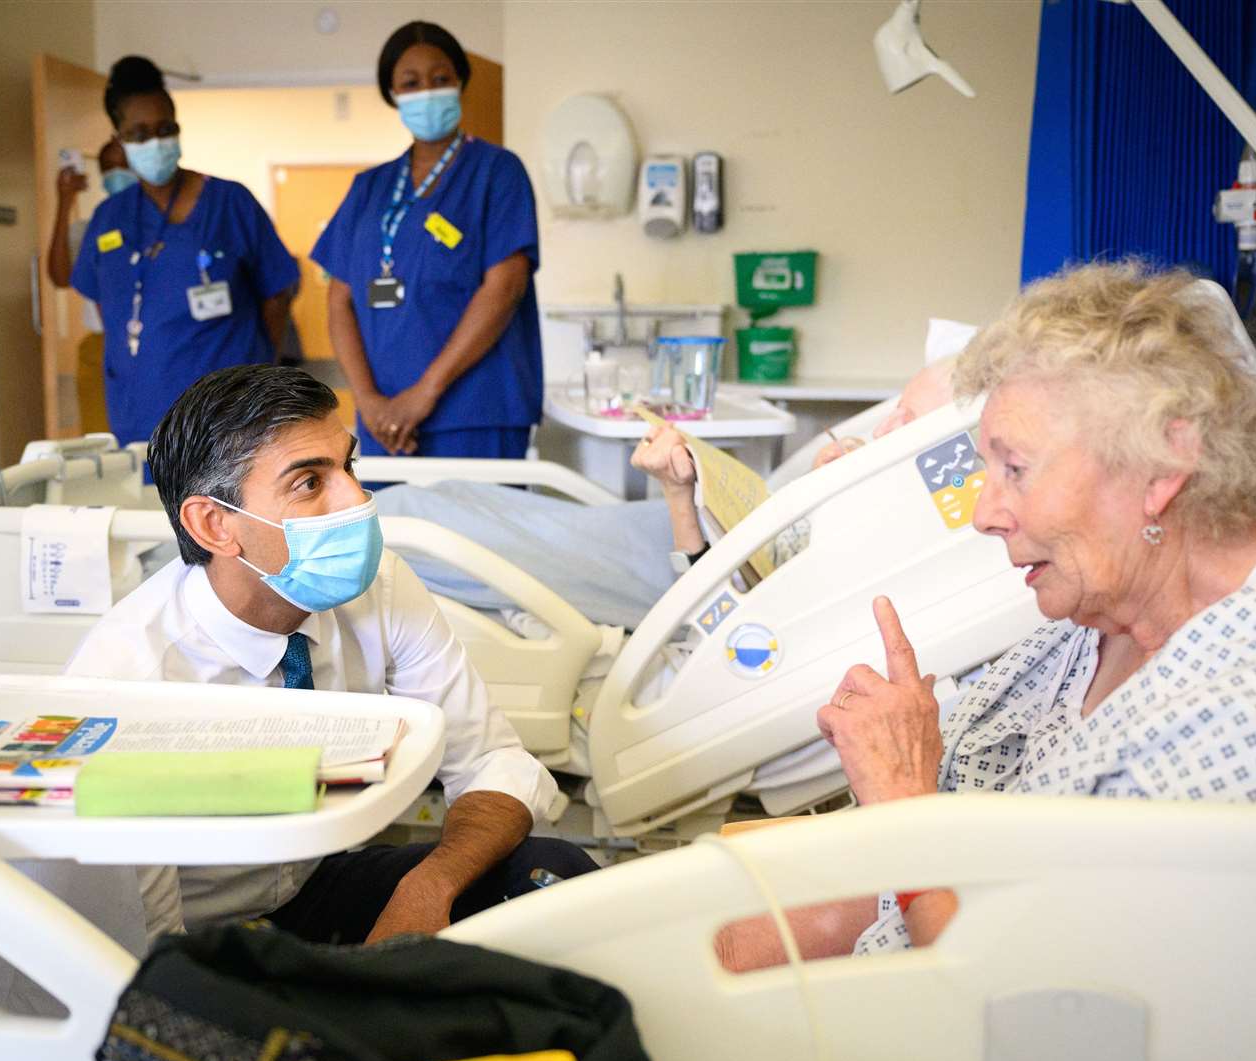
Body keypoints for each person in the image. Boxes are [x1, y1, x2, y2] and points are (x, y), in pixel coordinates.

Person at [716, 262, 1256, 971]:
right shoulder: (1099, 617)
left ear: (1162, 466)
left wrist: (899, 804)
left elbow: (1035, 1004)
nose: (983, 514)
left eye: (1015, 469)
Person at [65, 365, 597, 944]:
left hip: (311, 888)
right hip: (199, 928)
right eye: (309, 483)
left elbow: (490, 760)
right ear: (215, 524)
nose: (358, 499)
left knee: (551, 877)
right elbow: (139, 934)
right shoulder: (128, 675)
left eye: (348, 466)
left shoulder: (381, 588)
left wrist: (428, 888)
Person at [372, 358, 959, 629]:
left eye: (904, 418)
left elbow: (717, 612)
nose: (881, 429)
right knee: (452, 497)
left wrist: (681, 493)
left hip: (657, 569)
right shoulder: (876, 490)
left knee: (420, 524)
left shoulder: (883, 542)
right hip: (644, 530)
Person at [313, 21, 542, 461]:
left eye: (440, 79)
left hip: (475, 411)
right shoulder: (369, 188)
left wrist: (423, 394)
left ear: (460, 82)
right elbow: (339, 299)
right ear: (393, 95)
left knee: (475, 529)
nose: (427, 91)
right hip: (383, 421)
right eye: (411, 83)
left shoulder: (498, 172)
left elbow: (504, 288)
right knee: (391, 530)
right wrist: (367, 400)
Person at [70, 56, 300, 447]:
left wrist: (256, 373)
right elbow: (107, 305)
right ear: (119, 139)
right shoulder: (110, 217)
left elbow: (276, 294)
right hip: (140, 417)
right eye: (139, 134)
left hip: (230, 419)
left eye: (165, 129)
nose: (155, 142)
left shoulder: (230, 202)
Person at [49, 139, 135, 435]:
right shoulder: (94, 225)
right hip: (101, 346)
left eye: (124, 165)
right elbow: (60, 276)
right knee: (103, 440)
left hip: (150, 345)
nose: (117, 174)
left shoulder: (161, 223)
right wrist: (65, 202)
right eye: (108, 168)